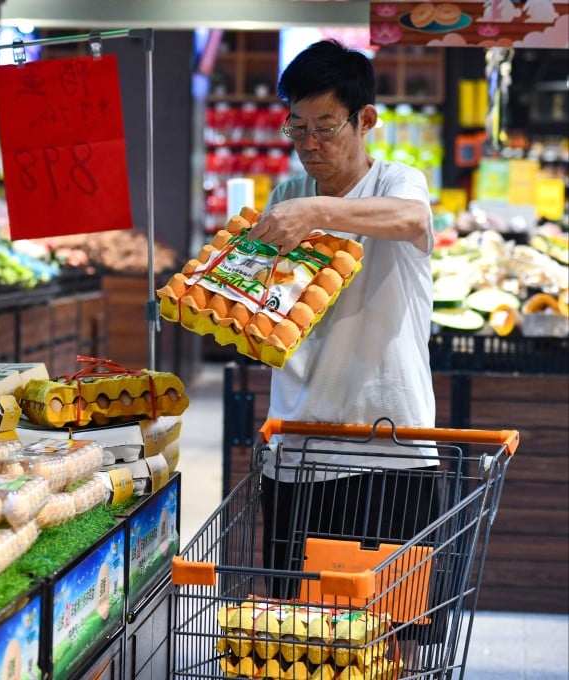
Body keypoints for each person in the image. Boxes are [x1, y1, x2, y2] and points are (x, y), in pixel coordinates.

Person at [251, 39, 443, 635]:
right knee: (299, 632)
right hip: (300, 445)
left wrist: (318, 214)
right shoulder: (286, 195)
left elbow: (410, 221)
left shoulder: (398, 180)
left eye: (326, 127)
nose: (309, 143)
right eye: (297, 126)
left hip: (389, 444)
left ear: (366, 120)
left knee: (395, 627)